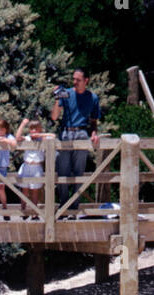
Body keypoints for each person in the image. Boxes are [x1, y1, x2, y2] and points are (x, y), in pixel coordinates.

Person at [51, 69, 101, 212]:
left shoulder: (93, 98)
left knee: (79, 172)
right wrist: (57, 98)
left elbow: (94, 121)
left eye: (78, 80)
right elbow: (54, 117)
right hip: (66, 132)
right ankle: (64, 205)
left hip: (81, 133)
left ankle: (74, 206)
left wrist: (94, 133)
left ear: (86, 81)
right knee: (63, 171)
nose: (74, 82)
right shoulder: (66, 93)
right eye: (73, 79)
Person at [15, 116, 46, 216]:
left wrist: (40, 134)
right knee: (24, 190)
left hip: (36, 167)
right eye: (31, 129)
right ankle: (23, 210)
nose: (33, 131)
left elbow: (52, 136)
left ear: (40, 129)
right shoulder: (27, 138)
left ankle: (34, 212)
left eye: (36, 129)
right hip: (26, 166)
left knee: (35, 191)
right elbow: (18, 137)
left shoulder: (43, 139)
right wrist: (23, 124)